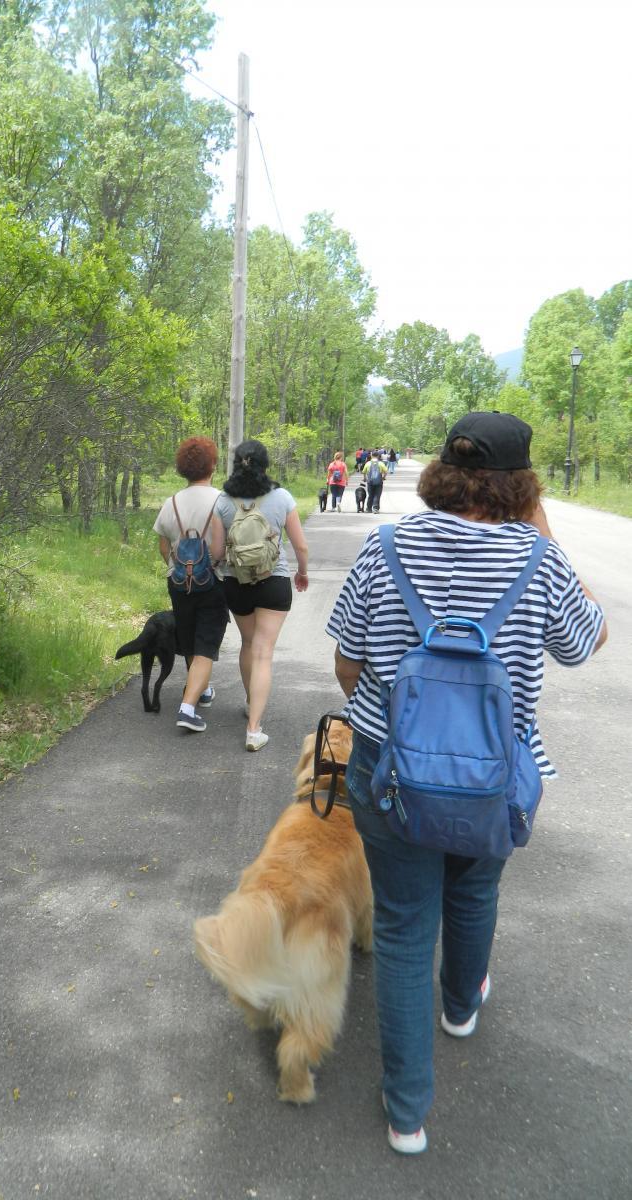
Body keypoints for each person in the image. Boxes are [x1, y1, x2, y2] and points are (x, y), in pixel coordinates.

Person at [325, 411, 607, 1155]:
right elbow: (586, 641)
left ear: (443, 474)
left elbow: (348, 661)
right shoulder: (537, 559)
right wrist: (542, 528)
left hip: (389, 770)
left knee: (402, 923)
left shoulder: (383, 546)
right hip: (492, 776)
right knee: (476, 890)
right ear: (522, 484)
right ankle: (460, 1006)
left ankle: (407, 1112)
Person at [215, 440, 309, 752]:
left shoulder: (223, 501)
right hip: (274, 581)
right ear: (265, 464)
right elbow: (300, 546)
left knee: (247, 644)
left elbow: (217, 551)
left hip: (235, 582)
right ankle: (254, 729)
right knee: (263, 652)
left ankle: (249, 701)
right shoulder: (281, 497)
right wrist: (302, 572)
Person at [153, 437, 228, 734]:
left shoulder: (170, 503)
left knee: (189, 637)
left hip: (178, 581)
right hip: (213, 580)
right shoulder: (222, 501)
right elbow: (225, 547)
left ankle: (202, 690)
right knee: (206, 645)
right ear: (212, 465)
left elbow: (162, 547)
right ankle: (187, 708)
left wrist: (178, 568)